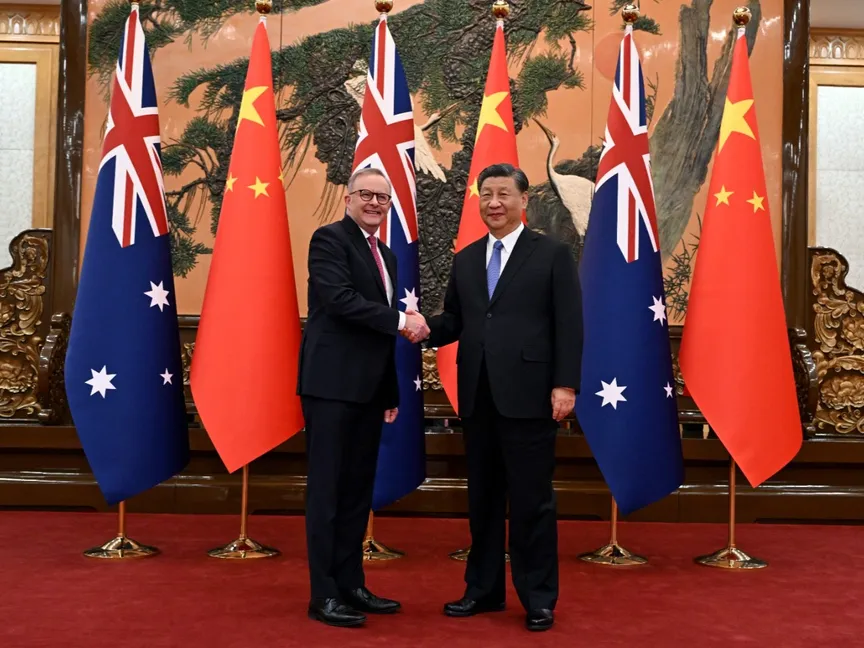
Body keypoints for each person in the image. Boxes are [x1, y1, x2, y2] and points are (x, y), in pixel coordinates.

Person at [412, 163, 583, 632]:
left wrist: (566, 384)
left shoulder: (552, 254)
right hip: (478, 397)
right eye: (486, 194)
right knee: (483, 500)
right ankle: (482, 590)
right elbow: (456, 320)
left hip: (531, 397)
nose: (494, 203)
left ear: (523, 200)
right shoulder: (467, 258)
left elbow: (569, 323)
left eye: (504, 193)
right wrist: (423, 327)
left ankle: (538, 598)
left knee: (532, 501)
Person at [299, 167, 429, 628]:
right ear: (348, 198)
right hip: (331, 387)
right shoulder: (329, 240)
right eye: (366, 195)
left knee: (357, 492)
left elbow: (379, 335)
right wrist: (403, 321)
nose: (375, 203)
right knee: (328, 492)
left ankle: (351, 584)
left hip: (370, 390)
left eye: (383, 198)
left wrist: (388, 390)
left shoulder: (387, 256)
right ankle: (323, 595)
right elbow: (340, 301)